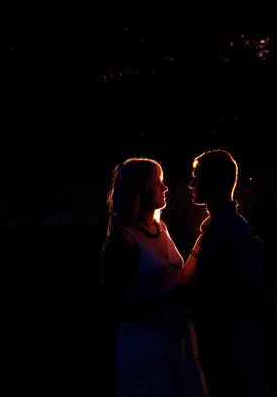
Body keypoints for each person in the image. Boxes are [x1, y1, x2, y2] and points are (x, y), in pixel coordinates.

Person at [101, 158, 206, 397]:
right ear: (140, 190)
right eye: (157, 182)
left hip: (176, 343)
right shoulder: (124, 241)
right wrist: (168, 300)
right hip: (144, 347)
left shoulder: (163, 230)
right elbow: (113, 305)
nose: (165, 188)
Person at [182, 149, 268, 397]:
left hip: (233, 351)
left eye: (196, 176)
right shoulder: (219, 227)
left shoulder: (232, 232)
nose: (191, 184)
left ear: (216, 181)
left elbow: (253, 292)